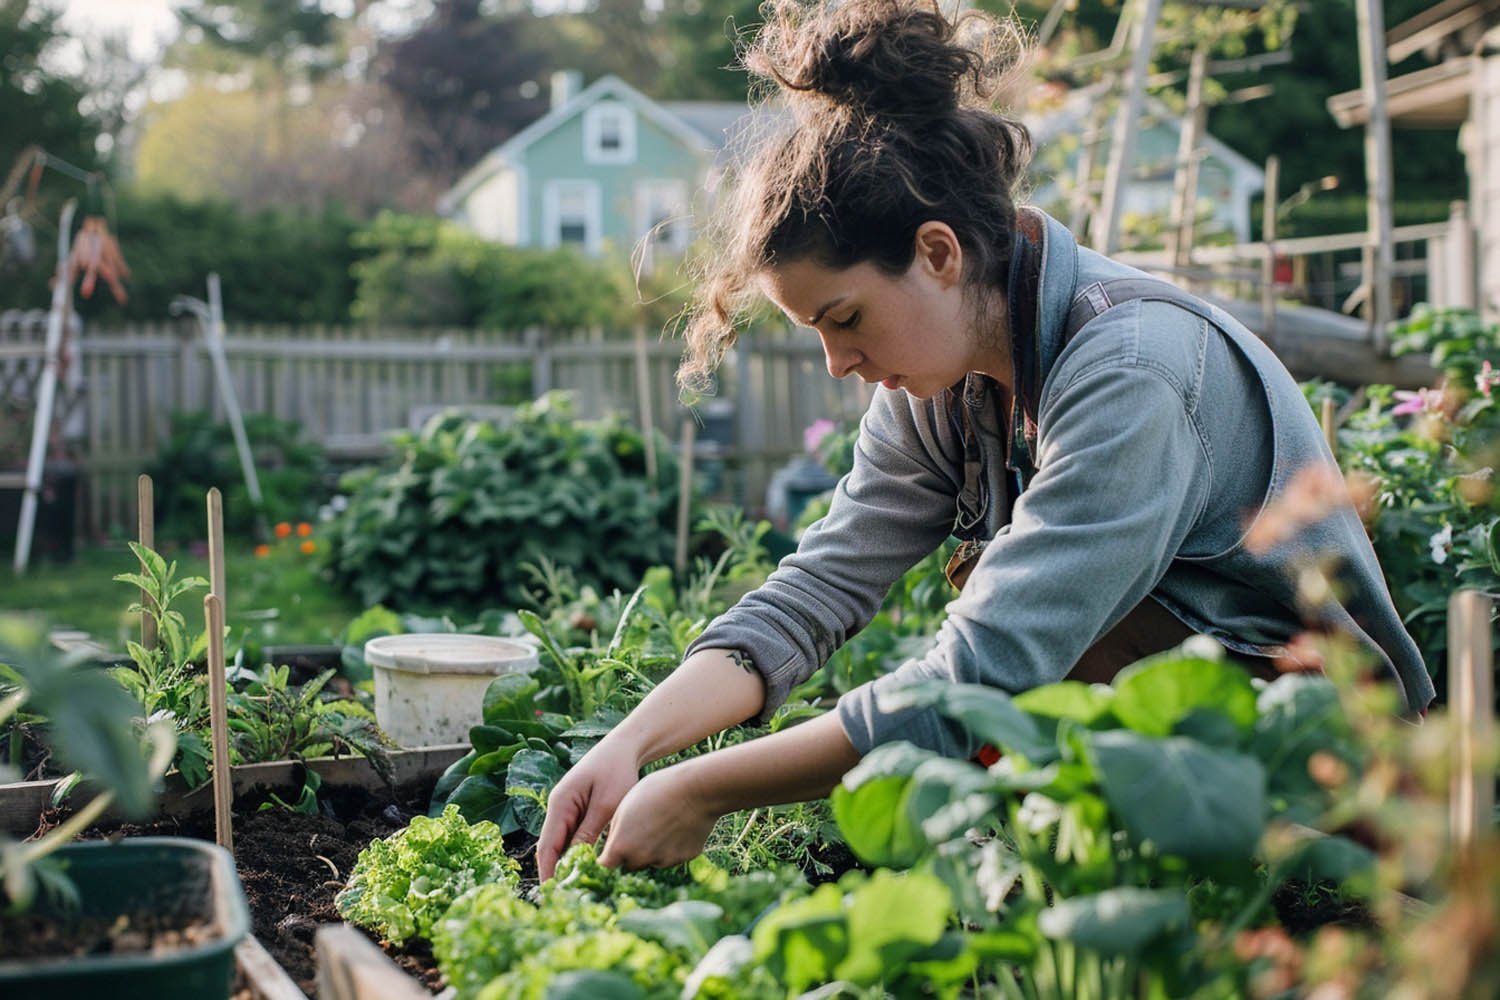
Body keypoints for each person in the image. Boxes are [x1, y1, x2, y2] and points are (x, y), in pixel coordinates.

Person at [536, 0, 1434, 881]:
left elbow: (981, 674)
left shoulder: (1134, 373)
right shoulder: (941, 381)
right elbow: (820, 588)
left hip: (1323, 793)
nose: (837, 363)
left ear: (937, 253)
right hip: (1157, 771)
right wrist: (632, 745)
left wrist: (700, 790)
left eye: (845, 319)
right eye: (814, 331)